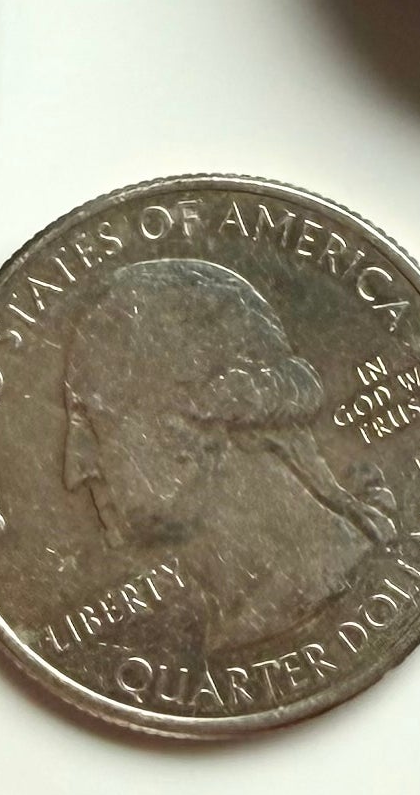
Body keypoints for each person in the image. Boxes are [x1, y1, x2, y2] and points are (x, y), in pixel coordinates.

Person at [60, 260, 394, 654]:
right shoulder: (243, 623)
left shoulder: (314, 587)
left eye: (93, 421)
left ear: (201, 418)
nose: (75, 471)